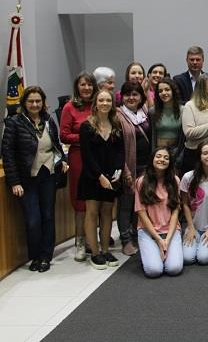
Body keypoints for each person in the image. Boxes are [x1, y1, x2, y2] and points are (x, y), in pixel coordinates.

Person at [2, 86, 66, 272]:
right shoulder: (14, 122)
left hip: (48, 175)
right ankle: (35, 256)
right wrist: (14, 182)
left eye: (38, 101)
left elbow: (57, 146)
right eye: (31, 101)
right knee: (33, 219)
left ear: (43, 102)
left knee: (48, 216)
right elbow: (8, 154)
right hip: (26, 178)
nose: (35, 104)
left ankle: (46, 256)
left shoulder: (48, 120)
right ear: (24, 103)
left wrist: (63, 160)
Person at [78, 89, 125, 270]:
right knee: (92, 212)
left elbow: (120, 152)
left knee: (107, 212)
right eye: (101, 100)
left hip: (111, 176)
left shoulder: (116, 125)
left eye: (108, 100)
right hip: (92, 176)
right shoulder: (87, 126)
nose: (105, 103)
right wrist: (100, 176)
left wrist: (117, 172)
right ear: (95, 103)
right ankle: (95, 253)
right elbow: (87, 156)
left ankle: (105, 250)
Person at [59, 72, 97, 262]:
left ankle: (92, 239)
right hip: (78, 157)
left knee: (95, 199)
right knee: (81, 201)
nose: (87, 88)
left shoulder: (99, 105)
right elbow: (64, 135)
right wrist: (85, 138)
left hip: (98, 157)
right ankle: (80, 241)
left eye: (90, 85)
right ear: (77, 87)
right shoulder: (69, 107)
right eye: (83, 84)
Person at [135, 147, 183, 278]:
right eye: (159, 156)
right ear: (152, 159)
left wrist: (166, 240)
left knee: (174, 268)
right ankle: (151, 251)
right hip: (148, 232)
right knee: (154, 271)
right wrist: (158, 239)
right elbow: (141, 213)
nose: (162, 159)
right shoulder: (141, 181)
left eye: (166, 158)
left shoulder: (175, 181)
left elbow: (175, 213)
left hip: (170, 231)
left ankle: (159, 252)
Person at [117, 81, 151, 256]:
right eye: (128, 94)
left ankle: (137, 233)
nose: (131, 98)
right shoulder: (118, 115)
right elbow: (117, 147)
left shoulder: (144, 112)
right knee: (126, 204)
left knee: (141, 203)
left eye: (135, 94)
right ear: (122, 96)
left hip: (146, 166)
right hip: (128, 166)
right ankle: (125, 240)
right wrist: (124, 169)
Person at [150, 77, 184, 162]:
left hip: (176, 153)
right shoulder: (153, 111)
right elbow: (151, 136)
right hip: (158, 154)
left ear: (173, 90)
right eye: (160, 91)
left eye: (167, 89)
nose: (164, 93)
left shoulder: (183, 110)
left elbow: (184, 138)